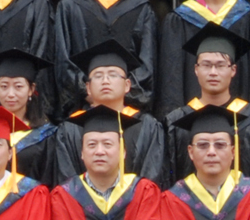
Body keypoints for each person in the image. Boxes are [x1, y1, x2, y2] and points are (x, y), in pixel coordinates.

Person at [164, 24, 250, 183]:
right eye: (206, 65)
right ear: (196, 69)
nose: (213, 72)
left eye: (220, 65)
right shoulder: (176, 121)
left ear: (233, 70)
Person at [52, 38, 170, 184]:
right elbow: (67, 182)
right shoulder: (71, 128)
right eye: (98, 76)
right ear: (88, 87)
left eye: (113, 75)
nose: (105, 81)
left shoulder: (148, 127)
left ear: (127, 85)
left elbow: (152, 177)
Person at [0, 46, 62, 186]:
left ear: (31, 89)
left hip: (34, 198)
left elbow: (49, 178)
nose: (10, 94)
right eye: (4, 86)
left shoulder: (46, 135)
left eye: (18, 86)